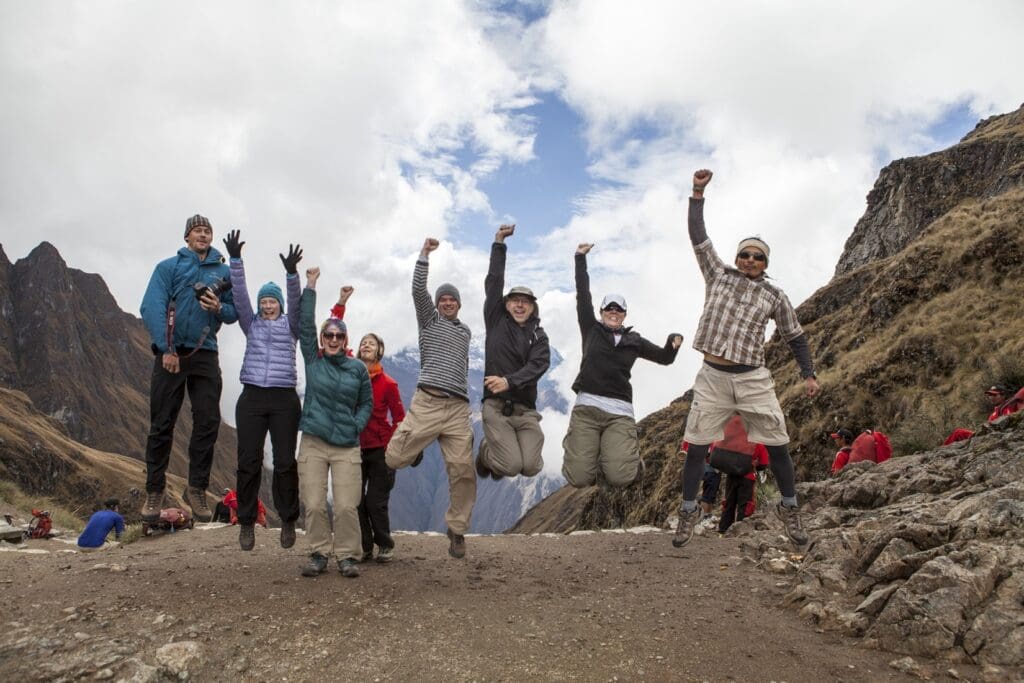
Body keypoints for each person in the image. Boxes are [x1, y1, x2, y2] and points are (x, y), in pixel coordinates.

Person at [674, 169, 819, 549]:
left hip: (753, 377)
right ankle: (688, 511)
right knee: (697, 445)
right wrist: (697, 194)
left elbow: (794, 335)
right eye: (745, 254)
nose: (750, 259)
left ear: (765, 263)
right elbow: (698, 237)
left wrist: (808, 373)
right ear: (737, 257)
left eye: (758, 256)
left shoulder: (775, 296)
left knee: (777, 444)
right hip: (712, 376)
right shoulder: (717, 274)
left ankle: (790, 508)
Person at [140, 214, 238, 524]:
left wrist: (218, 307)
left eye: (207, 231)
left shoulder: (224, 272)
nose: (203, 235)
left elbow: (235, 311)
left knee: (208, 421)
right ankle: (154, 491)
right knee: (162, 423)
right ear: (187, 237)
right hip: (171, 352)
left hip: (205, 351)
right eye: (197, 230)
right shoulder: (168, 268)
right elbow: (151, 306)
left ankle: (196, 488)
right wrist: (166, 348)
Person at [563, 243, 683, 489]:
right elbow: (582, 294)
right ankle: (593, 456)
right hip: (587, 409)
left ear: (625, 315)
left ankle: (627, 463)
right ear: (601, 311)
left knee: (620, 477)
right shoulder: (591, 329)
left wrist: (673, 342)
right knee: (578, 477)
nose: (614, 311)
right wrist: (579, 258)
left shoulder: (634, 341)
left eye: (619, 309)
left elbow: (664, 358)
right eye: (609, 308)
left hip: (619, 412)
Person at [385, 238, 475, 559]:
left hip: (457, 408)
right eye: (443, 299)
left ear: (459, 305)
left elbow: (462, 366)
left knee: (463, 469)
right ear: (437, 305)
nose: (447, 303)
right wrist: (424, 255)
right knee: (394, 458)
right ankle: (415, 449)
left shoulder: (465, 333)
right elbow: (418, 291)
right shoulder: (429, 321)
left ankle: (457, 529)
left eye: (452, 300)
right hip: (428, 401)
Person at [224, 230, 303, 552]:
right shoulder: (251, 323)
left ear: (279, 304)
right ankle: (246, 522)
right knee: (248, 461)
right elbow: (240, 296)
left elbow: (296, 303)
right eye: (264, 302)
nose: (268, 306)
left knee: (285, 462)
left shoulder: (292, 325)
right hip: (252, 396)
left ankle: (288, 519)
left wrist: (292, 275)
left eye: (272, 301)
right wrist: (236, 260)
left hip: (284, 398)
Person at [296, 267, 373, 578]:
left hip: (346, 444)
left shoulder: (357, 369)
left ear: (345, 340)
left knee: (345, 506)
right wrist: (311, 285)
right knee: (314, 503)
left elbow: (366, 403)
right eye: (328, 335)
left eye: (339, 336)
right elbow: (305, 324)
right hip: (314, 441)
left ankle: (347, 556)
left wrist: (356, 425)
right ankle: (318, 553)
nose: (333, 339)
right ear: (321, 339)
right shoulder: (313, 360)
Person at [329, 287, 407, 564]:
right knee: (355, 501)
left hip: (381, 450)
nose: (366, 345)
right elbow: (334, 333)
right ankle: (365, 547)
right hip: (353, 447)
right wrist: (340, 303)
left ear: (380, 351)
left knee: (375, 501)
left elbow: (400, 418)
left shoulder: (389, 385)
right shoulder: (351, 370)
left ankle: (384, 544)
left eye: (371, 343)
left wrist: (396, 445)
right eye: (363, 342)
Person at [477, 224, 552, 480]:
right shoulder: (495, 319)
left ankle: (507, 450)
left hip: (526, 410)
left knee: (531, 467)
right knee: (509, 467)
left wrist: (508, 381)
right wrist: (499, 242)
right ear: (506, 304)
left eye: (525, 302)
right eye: (515, 300)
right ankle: (486, 452)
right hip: (496, 407)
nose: (520, 305)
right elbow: (494, 281)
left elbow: (538, 366)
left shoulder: (539, 335)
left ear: (532, 308)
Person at [714, 416, 770, 534]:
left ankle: (723, 529)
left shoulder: (732, 438)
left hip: (731, 475)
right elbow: (764, 463)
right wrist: (755, 464)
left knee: (729, 503)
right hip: (747, 477)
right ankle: (740, 531)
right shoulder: (758, 442)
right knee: (745, 505)